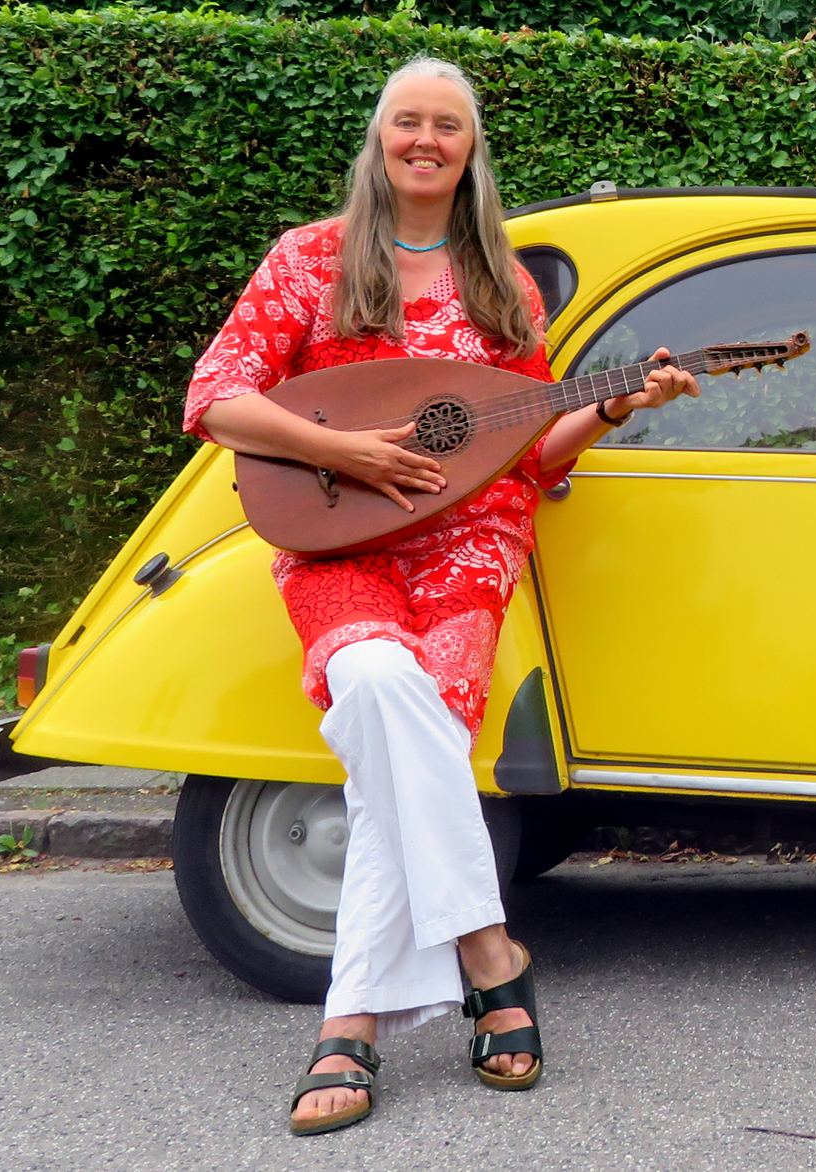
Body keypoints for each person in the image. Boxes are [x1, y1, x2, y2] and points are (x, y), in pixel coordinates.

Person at [185, 55, 698, 1135]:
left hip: (470, 546)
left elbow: (529, 456)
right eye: (407, 122)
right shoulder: (309, 260)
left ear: (471, 149)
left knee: (391, 751)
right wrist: (346, 451)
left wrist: (618, 406)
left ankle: (354, 1024)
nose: (426, 139)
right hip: (340, 544)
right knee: (377, 687)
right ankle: (488, 951)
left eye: (448, 126)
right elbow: (219, 398)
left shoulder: (502, 282)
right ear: (379, 138)